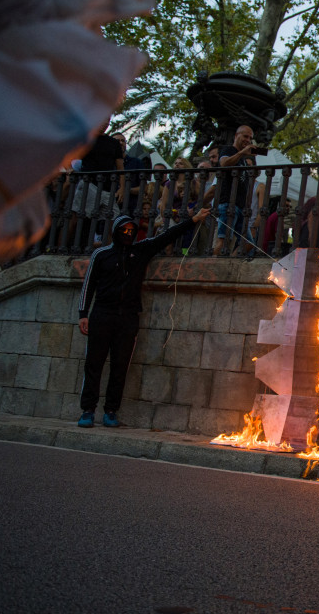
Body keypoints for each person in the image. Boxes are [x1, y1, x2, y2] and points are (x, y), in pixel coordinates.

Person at [75, 206, 212, 427]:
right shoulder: (101, 255)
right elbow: (88, 285)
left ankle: (111, 410)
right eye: (124, 229)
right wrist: (83, 314)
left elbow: (167, 236)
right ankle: (87, 410)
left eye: (132, 230)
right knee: (94, 364)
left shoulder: (140, 251)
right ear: (116, 230)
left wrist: (193, 219)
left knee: (120, 366)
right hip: (102, 314)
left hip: (128, 317)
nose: (128, 233)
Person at [213, 125, 258, 255]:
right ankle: (210, 267)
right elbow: (224, 163)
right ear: (236, 136)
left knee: (248, 243)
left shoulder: (243, 159)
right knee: (223, 241)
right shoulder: (228, 150)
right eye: (245, 136)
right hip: (228, 203)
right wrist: (242, 153)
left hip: (240, 205)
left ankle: (230, 262)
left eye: (250, 138)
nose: (248, 140)